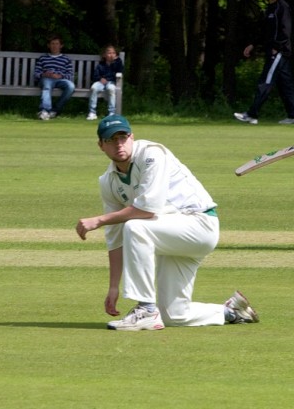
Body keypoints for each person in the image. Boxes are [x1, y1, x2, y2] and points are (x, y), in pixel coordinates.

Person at [75, 114, 260, 331]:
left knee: (135, 226)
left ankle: (146, 309)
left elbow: (147, 209)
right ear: (101, 145)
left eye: (123, 137)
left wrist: (99, 220)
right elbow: (115, 237)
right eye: (111, 140)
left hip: (199, 224)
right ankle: (231, 312)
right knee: (173, 314)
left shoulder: (152, 154)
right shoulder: (108, 181)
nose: (119, 144)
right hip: (169, 234)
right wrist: (113, 286)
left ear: (131, 137)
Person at [234, 0, 294, 125]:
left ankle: (252, 114)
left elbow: (286, 31)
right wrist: (252, 44)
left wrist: (277, 47)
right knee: (285, 85)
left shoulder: (282, 7)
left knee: (265, 81)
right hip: (274, 52)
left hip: (279, 52)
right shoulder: (269, 8)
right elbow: (264, 31)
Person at [34, 34, 75, 120]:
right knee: (47, 84)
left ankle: (55, 110)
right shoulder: (43, 58)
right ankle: (45, 111)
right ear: (48, 45)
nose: (54, 46)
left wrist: (60, 76)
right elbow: (36, 74)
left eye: (57, 44)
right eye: (52, 43)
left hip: (60, 80)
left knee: (71, 86)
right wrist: (44, 74)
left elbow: (70, 75)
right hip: (46, 79)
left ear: (61, 46)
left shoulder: (66, 59)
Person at [86, 44, 124, 121]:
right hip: (100, 82)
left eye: (113, 53)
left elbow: (120, 71)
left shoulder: (117, 63)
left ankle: (111, 112)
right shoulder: (101, 65)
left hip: (111, 82)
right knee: (94, 88)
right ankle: (92, 112)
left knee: (111, 89)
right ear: (104, 55)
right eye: (109, 53)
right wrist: (100, 79)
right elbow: (95, 75)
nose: (111, 55)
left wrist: (116, 61)